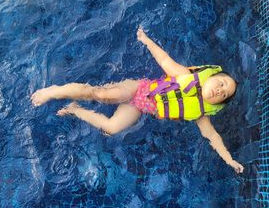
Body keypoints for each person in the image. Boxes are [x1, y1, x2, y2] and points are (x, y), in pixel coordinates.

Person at [30, 27, 245, 174]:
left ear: (218, 104)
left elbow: (213, 137)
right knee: (100, 95)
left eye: (225, 94)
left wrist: (229, 159)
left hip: (140, 107)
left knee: (111, 128)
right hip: (137, 89)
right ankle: (53, 92)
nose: (221, 90)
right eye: (222, 83)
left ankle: (75, 109)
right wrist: (146, 40)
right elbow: (163, 59)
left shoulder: (201, 113)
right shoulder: (184, 76)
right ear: (208, 76)